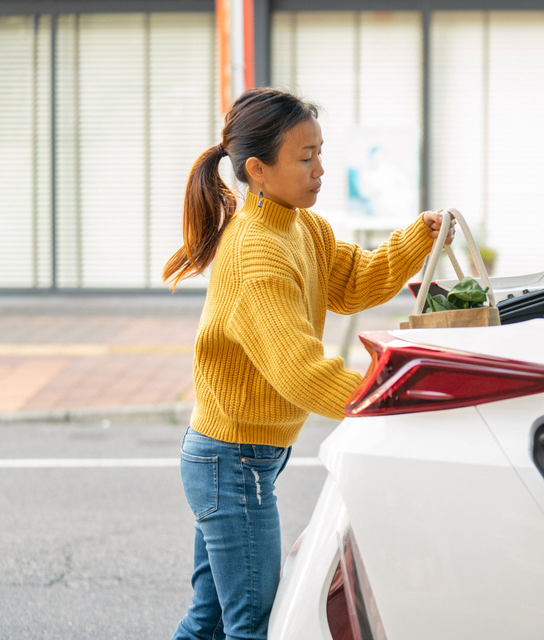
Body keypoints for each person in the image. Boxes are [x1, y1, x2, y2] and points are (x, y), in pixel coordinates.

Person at [162, 87, 454, 640]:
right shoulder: (257, 251)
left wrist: (420, 236)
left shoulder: (301, 227)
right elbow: (300, 372)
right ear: (258, 170)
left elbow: (354, 281)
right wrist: (392, 395)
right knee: (251, 624)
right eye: (305, 158)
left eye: (320, 152)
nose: (320, 169)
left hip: (237, 460)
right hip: (232, 464)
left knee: (211, 621)